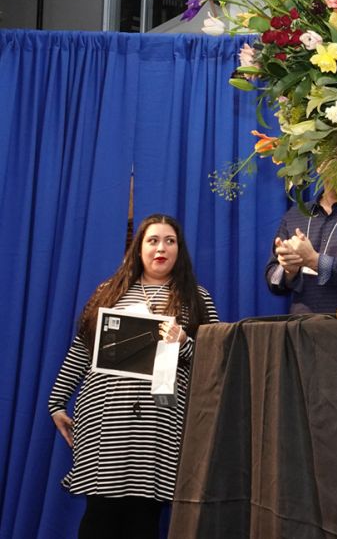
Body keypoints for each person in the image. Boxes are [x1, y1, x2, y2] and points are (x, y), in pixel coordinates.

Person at [48, 214, 218, 539]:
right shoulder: (109, 292)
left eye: (170, 241)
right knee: (99, 516)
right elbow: (81, 351)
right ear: (139, 248)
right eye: (153, 240)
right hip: (105, 421)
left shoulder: (197, 298)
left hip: (159, 423)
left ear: (179, 249)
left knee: (143, 519)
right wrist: (56, 403)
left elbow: (214, 362)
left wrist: (184, 343)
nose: (161, 248)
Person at [265, 173, 337, 314]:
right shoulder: (295, 215)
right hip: (301, 323)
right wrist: (288, 271)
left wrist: (316, 262)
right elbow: (273, 280)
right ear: (319, 165)